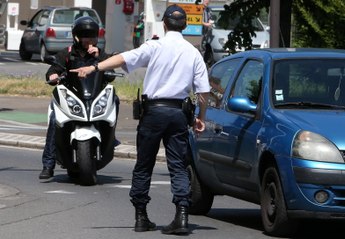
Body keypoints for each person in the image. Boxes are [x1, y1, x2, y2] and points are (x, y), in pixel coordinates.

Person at [70, 4, 210, 235]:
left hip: (154, 112)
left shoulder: (154, 46)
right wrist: (200, 117)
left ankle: (141, 217)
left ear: (164, 24)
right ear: (184, 25)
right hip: (178, 114)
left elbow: (122, 58)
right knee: (178, 166)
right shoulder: (193, 52)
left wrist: (94, 67)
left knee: (144, 164)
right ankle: (182, 216)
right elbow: (203, 91)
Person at [39, 16, 120, 179]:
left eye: (91, 36)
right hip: (73, 98)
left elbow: (113, 65)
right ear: (76, 37)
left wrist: (100, 57)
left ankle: (111, 138)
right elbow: (54, 69)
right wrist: (54, 75)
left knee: (115, 99)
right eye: (85, 36)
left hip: (94, 97)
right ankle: (48, 164)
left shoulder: (99, 54)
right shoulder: (67, 54)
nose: (88, 40)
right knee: (55, 119)